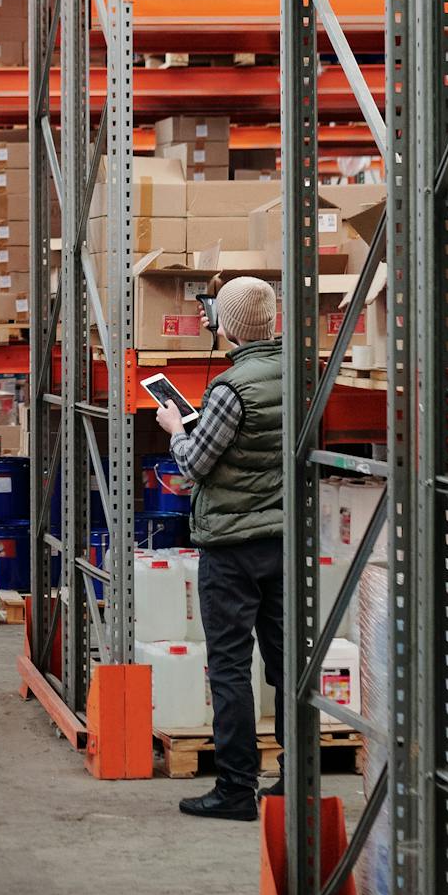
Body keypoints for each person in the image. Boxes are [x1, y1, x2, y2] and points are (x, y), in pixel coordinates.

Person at [155, 273, 286, 822]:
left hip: (232, 546)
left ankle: (236, 788)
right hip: (284, 540)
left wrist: (175, 427)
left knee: (230, 667)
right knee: (285, 663)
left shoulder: (231, 390)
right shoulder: (295, 372)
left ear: (225, 328)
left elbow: (193, 464)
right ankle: (294, 780)